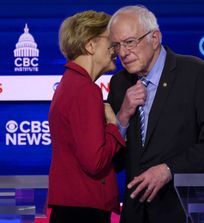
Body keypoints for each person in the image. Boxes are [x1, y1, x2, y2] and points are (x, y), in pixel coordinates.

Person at [107, 5, 204, 223]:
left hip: (180, 210)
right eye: (117, 46)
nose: (123, 53)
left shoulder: (195, 74)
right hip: (134, 213)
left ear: (154, 38)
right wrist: (121, 119)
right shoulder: (119, 84)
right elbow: (114, 161)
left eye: (129, 42)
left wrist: (169, 169)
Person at [48, 10, 125, 223]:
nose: (116, 49)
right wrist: (113, 125)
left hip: (74, 207)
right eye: (111, 41)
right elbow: (95, 162)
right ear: (90, 45)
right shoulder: (85, 89)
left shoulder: (71, 84)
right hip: (83, 210)